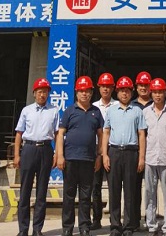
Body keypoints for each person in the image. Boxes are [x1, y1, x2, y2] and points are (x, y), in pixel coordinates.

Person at [56, 76, 104, 236]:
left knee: (85, 195)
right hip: (70, 159)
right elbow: (60, 134)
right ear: (76, 93)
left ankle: (84, 226)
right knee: (69, 195)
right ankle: (67, 227)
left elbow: (101, 135)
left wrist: (99, 156)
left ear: (91, 93)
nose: (85, 94)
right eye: (81, 91)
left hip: (88, 160)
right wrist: (60, 155)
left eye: (87, 91)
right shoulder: (69, 111)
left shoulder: (96, 112)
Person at [14, 77, 60, 236]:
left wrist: (57, 153)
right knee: (25, 191)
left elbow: (57, 134)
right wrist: (16, 155)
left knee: (41, 192)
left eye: (45, 92)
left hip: (46, 150)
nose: (42, 95)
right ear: (34, 93)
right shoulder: (26, 111)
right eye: (40, 92)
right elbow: (19, 133)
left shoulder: (54, 111)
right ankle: (23, 229)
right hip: (29, 149)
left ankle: (37, 229)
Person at [102, 75, 147, 236]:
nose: (124, 93)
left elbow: (141, 135)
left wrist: (141, 157)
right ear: (117, 91)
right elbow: (106, 132)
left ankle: (128, 226)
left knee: (130, 191)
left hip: (131, 153)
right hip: (114, 152)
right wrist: (104, 154)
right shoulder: (111, 110)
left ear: (131, 92)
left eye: (127, 90)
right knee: (114, 191)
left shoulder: (137, 111)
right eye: (121, 90)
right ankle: (115, 226)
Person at [144, 78, 166, 236]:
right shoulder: (145, 112)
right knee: (149, 194)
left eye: (160, 92)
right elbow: (142, 135)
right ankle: (151, 225)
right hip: (150, 158)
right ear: (151, 93)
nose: (157, 95)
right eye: (155, 92)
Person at [92, 71, 117, 229]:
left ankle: (115, 220)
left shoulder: (118, 105)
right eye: (103, 86)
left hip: (113, 149)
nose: (106, 89)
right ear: (99, 88)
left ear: (113, 88)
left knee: (114, 186)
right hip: (96, 150)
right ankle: (96, 219)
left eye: (108, 86)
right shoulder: (93, 107)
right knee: (95, 186)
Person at [130, 70, 152, 231]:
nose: (143, 88)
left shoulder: (157, 103)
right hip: (134, 151)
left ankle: (151, 220)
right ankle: (134, 220)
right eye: (141, 85)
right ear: (136, 87)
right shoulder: (131, 105)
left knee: (151, 187)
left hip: (153, 151)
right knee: (134, 187)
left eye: (146, 85)